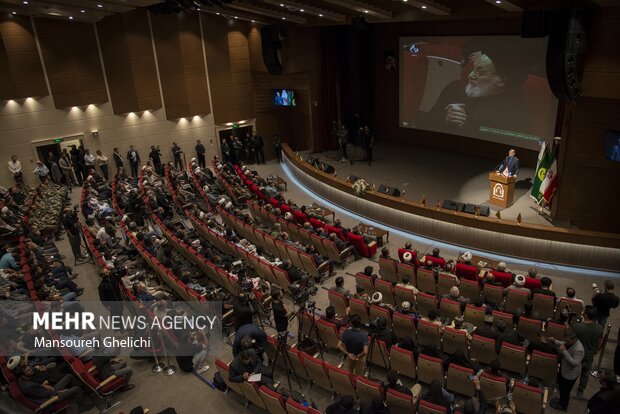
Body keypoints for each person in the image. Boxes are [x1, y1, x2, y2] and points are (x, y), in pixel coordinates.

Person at [415, 38, 531, 138]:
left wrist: (463, 124)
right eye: (472, 69)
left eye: (481, 72)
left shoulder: (513, 112)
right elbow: (422, 122)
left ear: (502, 81)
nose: (470, 76)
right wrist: (445, 118)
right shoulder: (455, 89)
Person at [550, 328, 585, 412]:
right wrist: (554, 341)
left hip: (570, 374)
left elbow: (574, 363)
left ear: (573, 339)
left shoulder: (579, 349)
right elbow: (563, 343)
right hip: (564, 369)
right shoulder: (570, 341)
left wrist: (564, 351)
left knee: (565, 391)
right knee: (561, 388)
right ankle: (560, 400)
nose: (566, 342)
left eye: (567, 341)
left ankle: (563, 406)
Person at [573, 305, 604, 398]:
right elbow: (600, 342)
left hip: (576, 354)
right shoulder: (599, 328)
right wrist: (594, 350)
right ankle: (581, 389)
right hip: (589, 355)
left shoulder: (577, 326)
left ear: (585, 315)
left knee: (572, 370)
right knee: (585, 373)